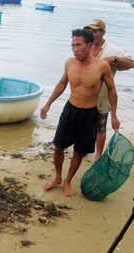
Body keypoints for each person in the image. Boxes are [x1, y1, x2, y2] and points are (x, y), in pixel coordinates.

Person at [40, 29, 120, 197]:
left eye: (79, 45)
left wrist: (113, 115)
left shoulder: (102, 66)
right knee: (59, 147)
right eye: (72, 45)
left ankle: (68, 180)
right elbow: (62, 84)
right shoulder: (69, 63)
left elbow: (112, 90)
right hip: (70, 110)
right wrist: (47, 104)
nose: (75, 49)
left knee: (79, 151)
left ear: (90, 46)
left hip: (90, 113)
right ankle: (58, 177)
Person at [83, 19, 134, 160]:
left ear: (103, 32)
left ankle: (98, 156)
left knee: (100, 128)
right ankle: (83, 149)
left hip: (102, 98)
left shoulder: (111, 49)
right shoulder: (85, 46)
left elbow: (131, 63)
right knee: (83, 126)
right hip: (83, 97)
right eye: (89, 30)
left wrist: (113, 59)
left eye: (95, 31)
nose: (92, 33)